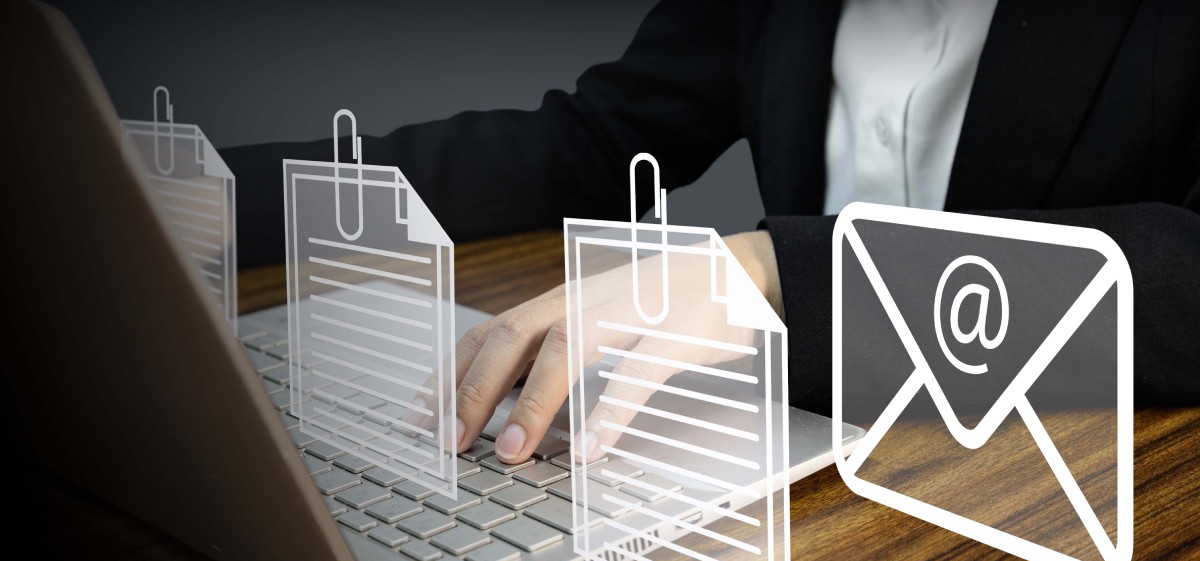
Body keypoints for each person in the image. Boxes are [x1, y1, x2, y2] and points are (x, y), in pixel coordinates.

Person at [223, 0, 1200, 464]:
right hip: (796, 483)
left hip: (1074, 492)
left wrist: (779, 270)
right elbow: (592, 142)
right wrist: (211, 199)